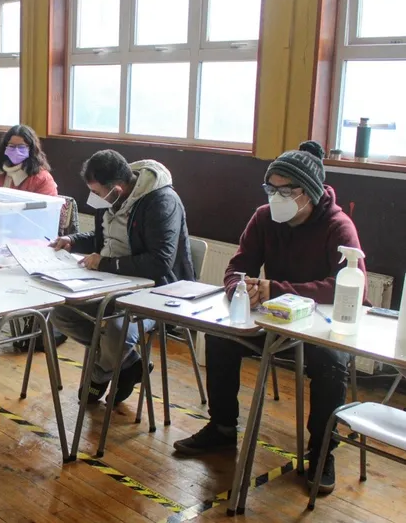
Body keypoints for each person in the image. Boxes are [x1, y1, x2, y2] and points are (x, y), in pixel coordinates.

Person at [173, 141, 365, 495]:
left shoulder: (338, 226)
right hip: (274, 319)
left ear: (308, 192)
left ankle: (322, 450)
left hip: (321, 325)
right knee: (220, 337)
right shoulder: (264, 218)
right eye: (271, 189)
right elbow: (237, 266)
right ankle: (222, 427)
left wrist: (276, 289)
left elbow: (347, 287)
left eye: (285, 191)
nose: (276, 197)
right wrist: (239, 288)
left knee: (330, 363)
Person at [50, 150, 195, 404]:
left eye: (95, 192)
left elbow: (160, 262)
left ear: (116, 189)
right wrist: (72, 241)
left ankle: (100, 374)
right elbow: (103, 239)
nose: (92, 198)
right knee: (62, 313)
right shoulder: (108, 200)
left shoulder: (161, 202)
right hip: (111, 282)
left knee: (118, 330)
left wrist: (105, 263)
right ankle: (129, 363)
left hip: (158, 289)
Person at [0, 124, 58, 196]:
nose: (16, 150)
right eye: (11, 146)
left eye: (21, 147)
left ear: (31, 149)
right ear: (4, 147)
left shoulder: (42, 179)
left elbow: (49, 203)